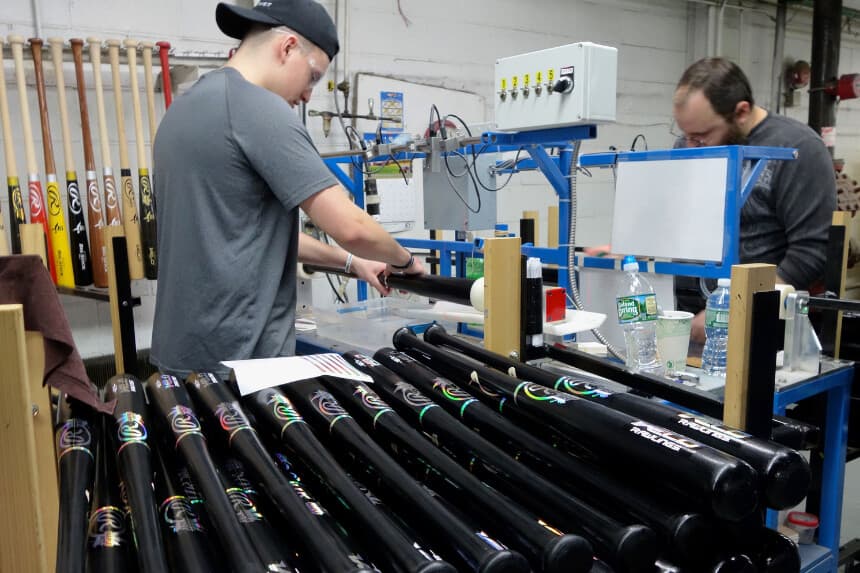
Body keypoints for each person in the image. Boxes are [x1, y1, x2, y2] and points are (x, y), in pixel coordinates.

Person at [150, 0, 424, 378]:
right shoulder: (257, 108)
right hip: (242, 368)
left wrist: (351, 263)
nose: (310, 95)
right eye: (313, 77)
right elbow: (353, 228)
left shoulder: (183, 110)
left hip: (180, 361)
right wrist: (405, 262)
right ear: (287, 47)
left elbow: (248, 238)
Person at [672, 57, 836, 343]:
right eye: (685, 136)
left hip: (763, 328)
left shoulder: (797, 149)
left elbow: (812, 250)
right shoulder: (691, 143)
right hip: (694, 321)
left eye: (700, 138)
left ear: (742, 112)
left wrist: (734, 309)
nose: (689, 147)